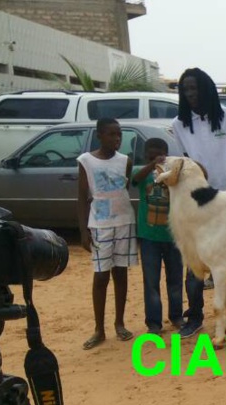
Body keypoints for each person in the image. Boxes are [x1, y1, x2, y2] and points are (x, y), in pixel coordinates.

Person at [171, 67, 226, 338]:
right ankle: (194, 317)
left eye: (194, 88)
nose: (190, 94)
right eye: (185, 90)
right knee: (195, 260)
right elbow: (187, 166)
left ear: (206, 89)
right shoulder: (179, 125)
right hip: (197, 205)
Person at [77, 118, 136, 349]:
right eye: (111, 134)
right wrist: (83, 230)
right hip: (99, 224)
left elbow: (123, 189)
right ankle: (98, 329)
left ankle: (119, 323)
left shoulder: (125, 161)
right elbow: (82, 197)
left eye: (119, 134)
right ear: (100, 135)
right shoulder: (86, 161)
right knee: (101, 276)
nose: (117, 139)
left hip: (124, 222)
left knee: (120, 273)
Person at [131, 137, 184, 335]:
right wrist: (152, 165)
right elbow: (134, 181)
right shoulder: (142, 173)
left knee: (175, 279)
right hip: (149, 237)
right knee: (151, 281)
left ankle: (177, 316)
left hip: (172, 236)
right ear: (146, 156)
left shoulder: (172, 175)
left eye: (161, 154)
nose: (158, 158)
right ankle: (153, 323)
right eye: (152, 155)